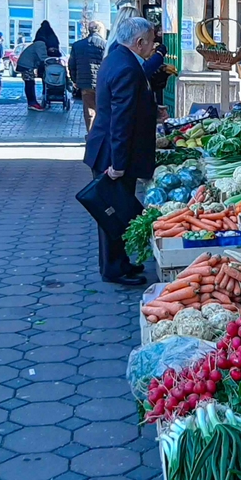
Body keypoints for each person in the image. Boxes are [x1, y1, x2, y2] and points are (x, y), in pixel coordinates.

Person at [83, 17, 157, 286]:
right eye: (150, 41)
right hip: (111, 153)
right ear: (139, 42)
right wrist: (118, 163)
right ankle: (113, 269)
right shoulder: (127, 67)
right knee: (112, 212)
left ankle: (119, 263)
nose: (153, 47)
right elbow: (120, 120)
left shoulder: (115, 57)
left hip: (106, 147)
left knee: (114, 210)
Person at [69, 20, 106, 132]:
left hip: (85, 83)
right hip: (102, 83)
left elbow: (72, 65)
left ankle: (90, 134)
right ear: (100, 30)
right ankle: (101, 134)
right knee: (103, 109)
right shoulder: (105, 44)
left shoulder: (77, 45)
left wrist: (75, 80)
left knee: (89, 110)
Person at [16, 36, 49, 111]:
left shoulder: (36, 44)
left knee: (29, 83)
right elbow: (43, 57)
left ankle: (31, 102)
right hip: (26, 65)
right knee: (29, 83)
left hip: (24, 64)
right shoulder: (40, 44)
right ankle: (32, 103)